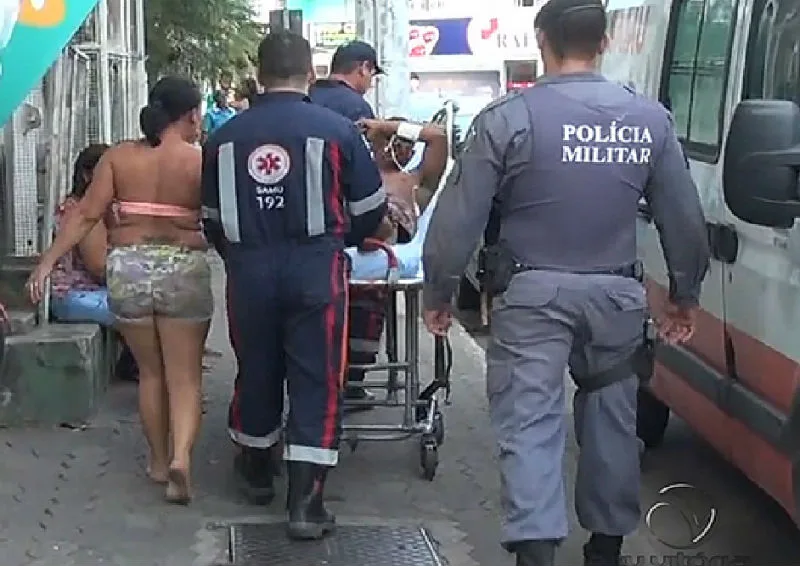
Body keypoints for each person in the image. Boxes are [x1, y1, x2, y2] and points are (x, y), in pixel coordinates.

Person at [420, 0, 711, 565]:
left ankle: (536, 551)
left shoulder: (507, 119)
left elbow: (460, 215)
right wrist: (684, 295)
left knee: (529, 422)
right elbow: (683, 218)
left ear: (540, 40)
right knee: (612, 419)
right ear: (603, 43)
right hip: (616, 298)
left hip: (531, 299)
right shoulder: (649, 119)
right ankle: (606, 547)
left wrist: (439, 292)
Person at [202, 31, 386, 540]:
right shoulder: (337, 130)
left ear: (259, 75)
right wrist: (337, 241)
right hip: (315, 270)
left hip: (249, 271)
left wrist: (242, 255)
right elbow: (370, 210)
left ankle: (257, 474)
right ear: (310, 73)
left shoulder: (223, 138)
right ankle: (306, 506)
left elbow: (212, 219)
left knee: (256, 367)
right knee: (317, 378)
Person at [27, 76, 212, 506]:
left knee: (151, 372)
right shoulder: (200, 160)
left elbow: (87, 215)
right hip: (182, 266)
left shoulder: (118, 157)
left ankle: (158, 460)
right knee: (184, 378)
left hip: (127, 266)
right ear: (190, 114)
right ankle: (182, 459)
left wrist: (47, 261)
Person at [49, 143, 138, 381]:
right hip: (71, 295)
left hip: (87, 291)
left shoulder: (96, 210)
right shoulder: (82, 213)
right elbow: (99, 267)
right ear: (89, 175)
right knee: (142, 309)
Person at [308, 40, 383, 122]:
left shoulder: (307, 95)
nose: (371, 84)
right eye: (373, 74)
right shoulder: (357, 107)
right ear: (364, 68)